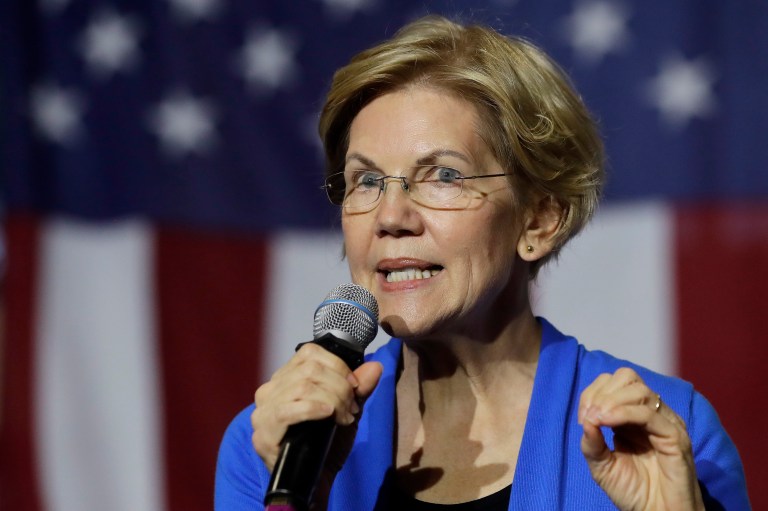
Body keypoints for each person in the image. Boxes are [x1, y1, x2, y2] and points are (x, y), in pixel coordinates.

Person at [215, 15, 750, 510]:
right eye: (367, 181)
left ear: (538, 220)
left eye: (443, 175)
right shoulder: (270, 443)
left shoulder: (663, 430)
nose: (390, 215)